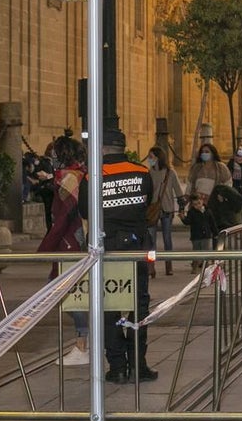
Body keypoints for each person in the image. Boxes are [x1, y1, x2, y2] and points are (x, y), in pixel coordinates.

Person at [99, 128, 157, 383]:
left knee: (110, 307)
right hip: (137, 246)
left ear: (102, 149)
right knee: (139, 306)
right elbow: (147, 201)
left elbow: (85, 210)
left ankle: (117, 366)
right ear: (124, 148)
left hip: (109, 247)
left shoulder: (95, 174)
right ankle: (138, 364)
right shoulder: (142, 171)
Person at [37, 135, 89, 367]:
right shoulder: (78, 175)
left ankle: (82, 345)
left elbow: (63, 218)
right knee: (72, 293)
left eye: (55, 154)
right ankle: (85, 341)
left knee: (67, 293)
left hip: (70, 243)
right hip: (75, 242)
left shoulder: (69, 179)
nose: (52, 158)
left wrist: (46, 247)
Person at [146, 145, 182, 276]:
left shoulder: (170, 172)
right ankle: (151, 266)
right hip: (152, 209)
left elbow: (178, 190)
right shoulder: (149, 173)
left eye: (151, 157)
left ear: (158, 158)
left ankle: (169, 265)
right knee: (151, 241)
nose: (149, 159)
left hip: (167, 209)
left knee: (167, 239)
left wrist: (181, 206)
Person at [179, 190, 218, 270]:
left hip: (206, 235)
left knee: (206, 251)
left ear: (202, 201)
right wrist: (183, 218)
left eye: (199, 203)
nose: (197, 206)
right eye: (195, 205)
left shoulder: (208, 211)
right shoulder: (192, 212)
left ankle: (205, 265)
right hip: (196, 236)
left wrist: (215, 233)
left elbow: (212, 223)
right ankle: (195, 265)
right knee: (196, 251)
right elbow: (188, 221)